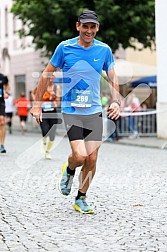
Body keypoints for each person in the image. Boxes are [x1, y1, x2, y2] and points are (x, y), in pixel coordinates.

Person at [30, 10, 120, 214]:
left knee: (92, 158)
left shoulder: (104, 50)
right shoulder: (65, 47)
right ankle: (70, 169)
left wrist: (116, 101)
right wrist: (36, 104)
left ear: (97, 28)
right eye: (85, 26)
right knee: (79, 157)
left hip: (94, 111)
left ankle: (81, 197)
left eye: (93, 27)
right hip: (72, 110)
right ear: (78, 26)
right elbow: (46, 75)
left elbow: (113, 77)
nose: (89, 31)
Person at [31, 80, 61, 159]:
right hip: (43, 112)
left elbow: (58, 99)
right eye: (49, 76)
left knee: (52, 134)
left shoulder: (56, 87)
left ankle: (47, 151)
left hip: (53, 112)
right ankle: (44, 142)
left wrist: (56, 102)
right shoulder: (41, 85)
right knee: (45, 130)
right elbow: (33, 93)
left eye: (52, 76)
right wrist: (37, 103)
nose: (50, 78)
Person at [0, 72, 9, 153]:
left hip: (1, 102)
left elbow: (7, 85)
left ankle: (2, 145)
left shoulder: (3, 77)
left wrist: (5, 92)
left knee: (2, 122)